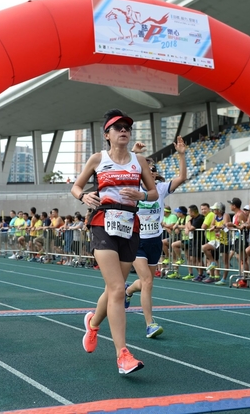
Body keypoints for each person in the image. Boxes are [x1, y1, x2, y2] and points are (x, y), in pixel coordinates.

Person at [71, 108, 157, 374]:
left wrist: (142, 196)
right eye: (118, 128)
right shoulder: (98, 159)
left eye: (127, 128)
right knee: (119, 288)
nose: (124, 131)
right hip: (103, 223)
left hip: (130, 226)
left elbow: (153, 192)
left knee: (113, 290)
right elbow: (76, 186)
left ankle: (93, 323)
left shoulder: (139, 161)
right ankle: (122, 355)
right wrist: (83, 196)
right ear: (107, 134)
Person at [125, 136, 187, 338]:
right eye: (146, 169)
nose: (150, 172)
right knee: (148, 282)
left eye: (152, 169)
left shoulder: (160, 189)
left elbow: (182, 177)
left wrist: (181, 154)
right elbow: (125, 170)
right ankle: (150, 324)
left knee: (147, 281)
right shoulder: (134, 189)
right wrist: (135, 153)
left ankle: (128, 291)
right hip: (136, 241)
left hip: (155, 240)